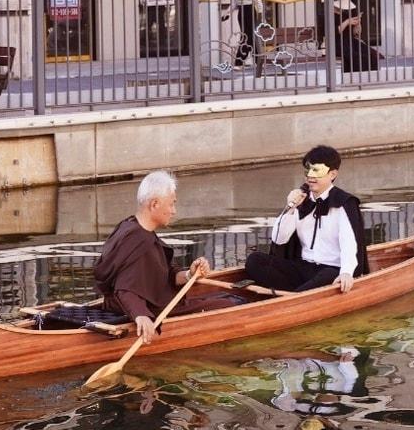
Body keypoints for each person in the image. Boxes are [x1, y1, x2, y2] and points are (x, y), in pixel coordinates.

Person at [92, 169, 214, 344]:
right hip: (145, 309)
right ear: (155, 204)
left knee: (221, 300)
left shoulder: (130, 226)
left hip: (141, 303)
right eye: (171, 204)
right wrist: (141, 316)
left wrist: (190, 274)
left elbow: (166, 274)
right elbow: (124, 288)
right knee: (230, 303)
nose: (174, 211)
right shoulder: (139, 239)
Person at [244, 145, 370, 293]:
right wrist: (290, 207)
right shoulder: (301, 200)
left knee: (328, 275)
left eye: (317, 170)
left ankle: (293, 297)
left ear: (332, 174)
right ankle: (297, 294)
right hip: (303, 267)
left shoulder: (344, 203)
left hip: (331, 269)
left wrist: (347, 272)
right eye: (308, 170)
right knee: (255, 260)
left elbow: (349, 242)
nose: (310, 176)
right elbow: (279, 239)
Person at [334, 0, 379, 73]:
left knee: (371, 54)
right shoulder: (330, 16)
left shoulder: (346, 15)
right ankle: (357, 75)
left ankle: (371, 75)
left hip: (351, 41)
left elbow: (356, 33)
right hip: (338, 43)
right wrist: (347, 22)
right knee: (356, 57)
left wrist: (358, 23)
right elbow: (336, 31)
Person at [232, 0, 261, 67]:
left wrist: (260, 14)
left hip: (250, 10)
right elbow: (235, 2)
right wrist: (228, 12)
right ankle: (258, 60)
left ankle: (239, 62)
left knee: (247, 36)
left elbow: (258, 0)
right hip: (241, 12)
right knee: (247, 36)